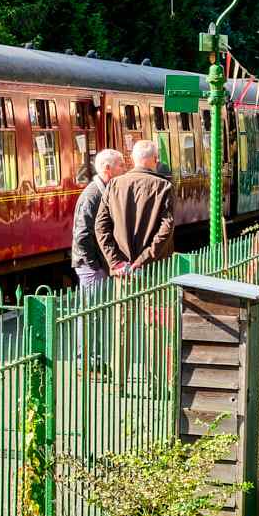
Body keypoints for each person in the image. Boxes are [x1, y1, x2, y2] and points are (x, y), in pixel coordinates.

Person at [94, 140, 176, 391]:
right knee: (155, 326)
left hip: (123, 272)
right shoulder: (164, 187)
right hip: (154, 269)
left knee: (122, 325)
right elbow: (166, 229)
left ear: (133, 159)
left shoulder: (114, 185)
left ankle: (118, 381)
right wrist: (144, 260)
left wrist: (116, 261)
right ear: (154, 160)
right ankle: (157, 383)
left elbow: (101, 227)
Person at [70, 149, 125, 293]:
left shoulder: (103, 191)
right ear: (107, 168)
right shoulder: (93, 195)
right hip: (92, 267)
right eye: (121, 165)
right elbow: (82, 235)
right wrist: (94, 265)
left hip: (99, 264)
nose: (124, 170)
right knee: (96, 305)